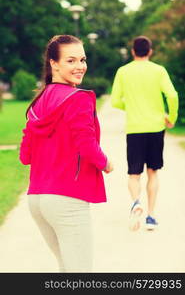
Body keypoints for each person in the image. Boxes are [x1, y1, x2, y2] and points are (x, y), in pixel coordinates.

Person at [19, 34, 113, 272]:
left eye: (82, 59)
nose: (80, 66)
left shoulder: (38, 102)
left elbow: (25, 156)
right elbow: (86, 144)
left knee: (67, 270)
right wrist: (106, 163)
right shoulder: (78, 99)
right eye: (71, 61)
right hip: (67, 200)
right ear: (54, 63)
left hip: (37, 200)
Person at [111, 36, 178, 231]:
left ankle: (136, 203)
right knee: (153, 172)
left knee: (134, 173)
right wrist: (170, 117)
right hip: (156, 127)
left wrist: (131, 107)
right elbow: (172, 95)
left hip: (134, 128)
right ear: (150, 51)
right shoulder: (159, 71)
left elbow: (115, 101)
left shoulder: (123, 72)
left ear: (133, 51)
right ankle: (151, 216)